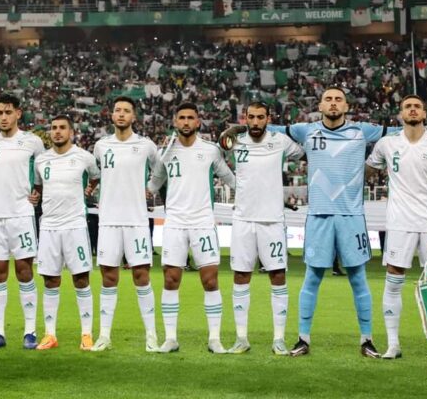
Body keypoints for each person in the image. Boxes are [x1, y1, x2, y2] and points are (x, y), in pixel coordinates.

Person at [223, 87, 387, 358]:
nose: (333, 103)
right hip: (318, 214)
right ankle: (302, 339)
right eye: (328, 99)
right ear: (319, 106)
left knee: (358, 278)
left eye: (338, 99)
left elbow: (401, 131)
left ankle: (367, 340)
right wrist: (239, 128)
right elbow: (267, 126)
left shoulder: (362, 131)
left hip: (352, 215)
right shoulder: (305, 131)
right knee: (312, 277)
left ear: (346, 106)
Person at [366, 94, 427, 360]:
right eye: (408, 106)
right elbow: (366, 171)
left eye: (417, 106)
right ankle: (393, 344)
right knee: (394, 281)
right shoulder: (387, 143)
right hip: (399, 223)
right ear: (401, 114)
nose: (413, 109)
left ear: (425, 113)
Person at [147, 102, 235, 354]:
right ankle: (171, 338)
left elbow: (230, 179)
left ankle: (215, 339)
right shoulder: (165, 152)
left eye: (190, 118)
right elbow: (152, 186)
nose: (186, 122)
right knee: (170, 279)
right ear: (175, 122)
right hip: (174, 223)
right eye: (181, 118)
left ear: (198, 122)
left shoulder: (210, 150)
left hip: (203, 223)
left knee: (210, 280)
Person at [223, 101, 304, 355]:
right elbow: (221, 143)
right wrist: (231, 130)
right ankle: (241, 338)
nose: (256, 122)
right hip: (243, 219)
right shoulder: (237, 141)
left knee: (278, 276)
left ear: (268, 118)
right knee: (240, 276)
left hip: (272, 220)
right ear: (245, 118)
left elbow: (303, 153)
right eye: (251, 117)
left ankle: (278, 339)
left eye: (260, 117)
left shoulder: (281, 141)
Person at [89, 96, 160, 352]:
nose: (121, 114)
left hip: (136, 221)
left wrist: (151, 188)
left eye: (126, 111)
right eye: (117, 110)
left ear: (134, 116)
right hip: (108, 221)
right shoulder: (101, 146)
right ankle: (104, 336)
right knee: (108, 277)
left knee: (141, 276)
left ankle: (151, 335)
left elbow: (160, 170)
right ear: (112, 115)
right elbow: (94, 174)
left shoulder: (146, 145)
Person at [30, 115, 100, 351]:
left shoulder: (83, 156)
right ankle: (50, 334)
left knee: (81, 278)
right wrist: (35, 196)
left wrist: (89, 189)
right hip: (49, 226)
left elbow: (96, 175)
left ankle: (87, 334)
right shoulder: (41, 160)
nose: (57, 131)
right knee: (50, 280)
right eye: (54, 128)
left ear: (71, 132)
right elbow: (38, 186)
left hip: (75, 226)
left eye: (62, 128)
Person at [0, 94, 45, 350]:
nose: (3, 117)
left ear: (18, 113)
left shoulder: (33, 142)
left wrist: (38, 193)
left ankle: (30, 331)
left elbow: (43, 172)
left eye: (8, 112)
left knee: (24, 271)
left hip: (21, 214)